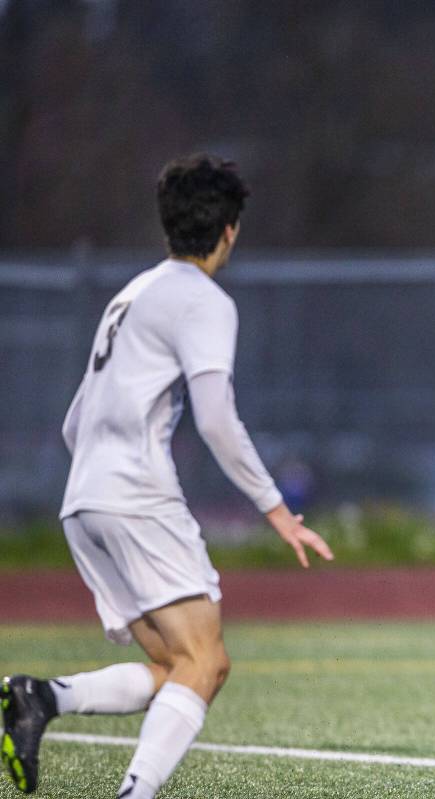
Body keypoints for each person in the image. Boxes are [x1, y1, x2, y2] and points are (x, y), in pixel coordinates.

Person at [1, 154, 334, 796]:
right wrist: (275, 509)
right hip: (134, 497)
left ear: (168, 227)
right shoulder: (203, 300)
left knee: (178, 665)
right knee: (206, 661)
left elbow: (75, 421)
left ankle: (38, 697)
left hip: (84, 501)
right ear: (230, 230)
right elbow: (215, 419)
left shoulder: (132, 293)